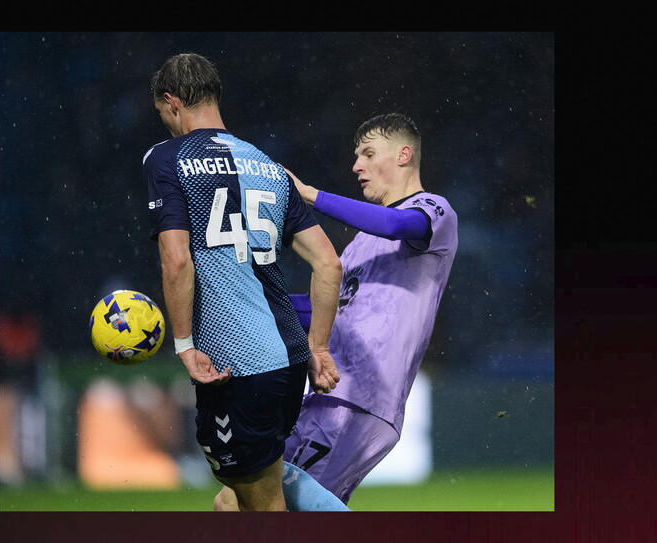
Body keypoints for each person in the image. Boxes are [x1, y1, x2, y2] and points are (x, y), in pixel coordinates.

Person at [215, 112, 458, 509]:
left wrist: (309, 195)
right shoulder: (360, 244)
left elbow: (396, 225)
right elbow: (327, 313)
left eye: (368, 154)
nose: (356, 165)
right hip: (326, 394)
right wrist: (243, 299)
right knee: (234, 502)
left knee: (289, 509)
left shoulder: (434, 210)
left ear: (404, 155)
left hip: (362, 400)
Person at [144, 53, 346, 512]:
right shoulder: (269, 166)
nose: (165, 125)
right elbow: (329, 264)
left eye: (161, 114)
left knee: (263, 505)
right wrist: (318, 347)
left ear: (172, 103)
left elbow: (177, 260)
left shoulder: (166, 158)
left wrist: (183, 345)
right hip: (290, 358)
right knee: (234, 499)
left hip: (238, 365)